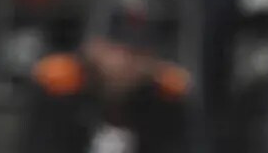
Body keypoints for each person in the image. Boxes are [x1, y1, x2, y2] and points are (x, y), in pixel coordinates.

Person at [17, 8, 195, 153]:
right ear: (95, 48)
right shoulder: (60, 86)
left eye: (141, 54)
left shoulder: (165, 95)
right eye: (120, 51)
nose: (128, 62)